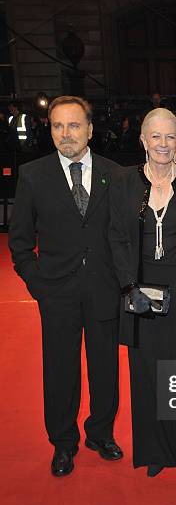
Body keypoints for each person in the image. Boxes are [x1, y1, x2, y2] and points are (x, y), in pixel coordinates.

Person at [8, 96, 123, 477]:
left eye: (74, 125)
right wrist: (38, 283)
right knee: (60, 370)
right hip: (56, 291)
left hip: (104, 289)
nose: (65, 134)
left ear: (90, 129)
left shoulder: (115, 173)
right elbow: (20, 241)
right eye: (58, 126)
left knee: (104, 367)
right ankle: (62, 443)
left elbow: (122, 235)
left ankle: (101, 433)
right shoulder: (33, 175)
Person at [109, 108, 176, 477]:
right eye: (156, 136)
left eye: (171, 136)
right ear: (143, 140)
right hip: (139, 289)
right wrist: (127, 285)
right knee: (147, 371)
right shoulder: (123, 181)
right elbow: (116, 237)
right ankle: (153, 450)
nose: (164, 144)